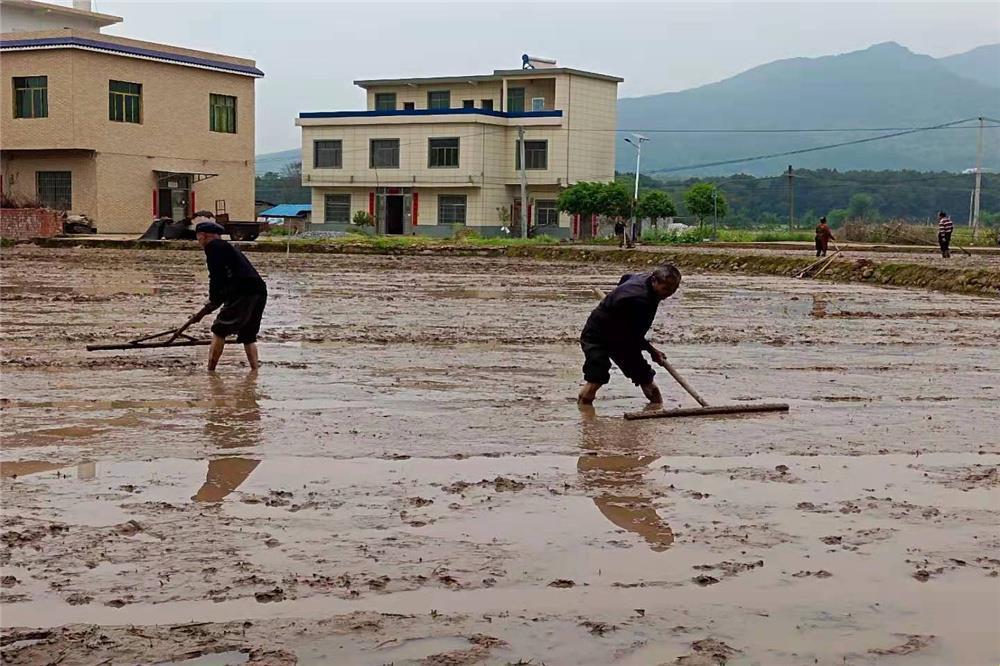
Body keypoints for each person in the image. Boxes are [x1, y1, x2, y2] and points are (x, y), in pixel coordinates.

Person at [578, 264, 682, 405]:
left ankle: (657, 410)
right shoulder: (638, 300)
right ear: (654, 281)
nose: (668, 294)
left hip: (623, 335)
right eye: (665, 289)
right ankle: (585, 417)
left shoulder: (644, 279)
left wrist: (616, 296)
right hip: (598, 334)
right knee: (597, 375)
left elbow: (625, 277)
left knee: (644, 376)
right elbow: (631, 334)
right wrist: (653, 351)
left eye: (673, 290)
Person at [177, 212, 267, 371]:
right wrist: (215, 302)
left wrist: (212, 300)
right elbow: (227, 276)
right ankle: (255, 371)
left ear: (204, 236)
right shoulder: (226, 247)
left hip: (243, 291)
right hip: (259, 290)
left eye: (198, 237)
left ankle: (210, 371)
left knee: (220, 329)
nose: (198, 241)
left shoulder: (213, 247)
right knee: (248, 335)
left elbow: (216, 277)